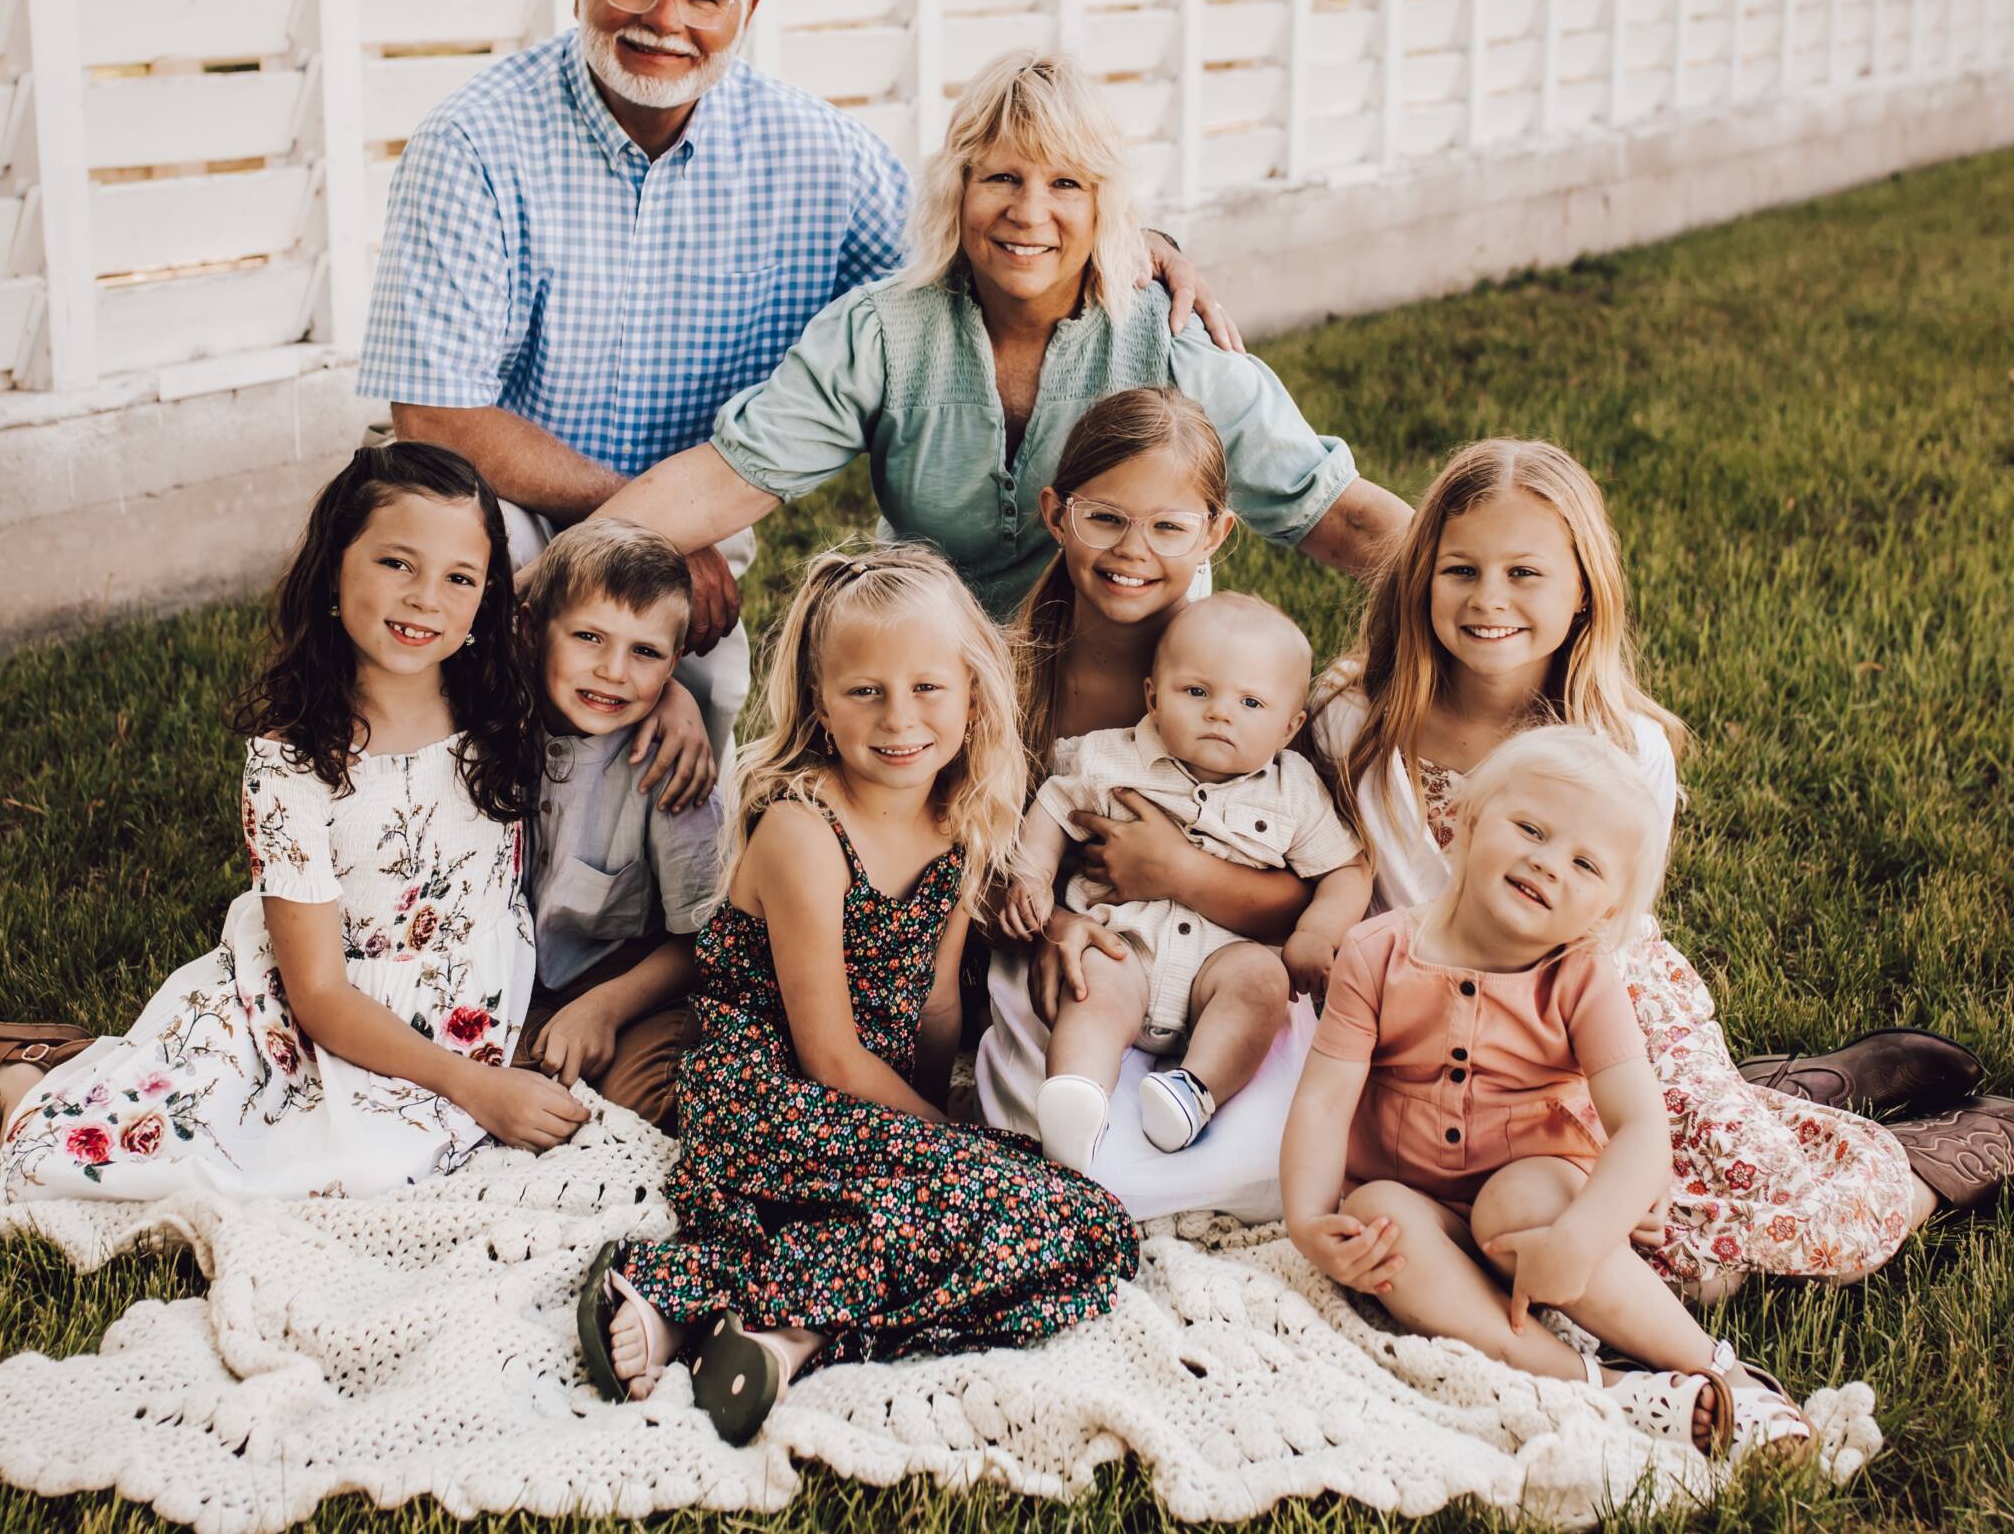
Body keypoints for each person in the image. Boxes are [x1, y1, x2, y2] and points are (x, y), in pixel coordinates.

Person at [359, 0, 1230, 770]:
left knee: (682, 737)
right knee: (469, 691)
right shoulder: (472, 143)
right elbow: (436, 418)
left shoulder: (823, 160)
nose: (665, 20)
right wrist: (638, 524)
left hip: (700, 505)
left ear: (746, 13)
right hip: (510, 503)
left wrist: (1130, 240)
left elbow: (985, 253)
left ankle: (639, 908)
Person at [1309, 437, 2014, 1296]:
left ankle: (1954, 1156)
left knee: (1741, 1237)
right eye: (1461, 569)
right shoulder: (1357, 721)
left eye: (1525, 574)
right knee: (1614, 1257)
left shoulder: (1621, 745)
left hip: (1596, 1011)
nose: (1489, 599)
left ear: (1581, 595)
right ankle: (1797, 1092)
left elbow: (1603, 939)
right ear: (1421, 577)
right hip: (1437, 1037)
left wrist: (1594, 1137)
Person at [0, 444, 579, 1200]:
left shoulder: (501, 701)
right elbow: (316, 994)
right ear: (334, 569)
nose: (426, 599)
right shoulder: (294, 765)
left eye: (459, 578)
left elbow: (611, 670)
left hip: (465, 1005)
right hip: (318, 1009)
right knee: (281, 1175)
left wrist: (672, 701)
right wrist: (474, 1088)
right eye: (396, 564)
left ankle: (92, 1059)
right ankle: (13, 1076)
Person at [575, 546, 1138, 1446]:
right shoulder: (806, 829)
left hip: (860, 1111)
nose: (900, 718)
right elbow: (828, 1052)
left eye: (927, 689)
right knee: (1020, 1206)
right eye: (865, 691)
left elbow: (936, 1010)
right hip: (766, 1098)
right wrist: (944, 1144)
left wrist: (928, 1146)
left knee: (1088, 1231)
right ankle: (694, 1293)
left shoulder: (963, 817)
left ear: (971, 695)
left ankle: (762, 1327)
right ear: (822, 702)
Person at [597, 48, 1410, 620]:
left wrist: (1493, 599)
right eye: (1001, 177)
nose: (1029, 212)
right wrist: (535, 585)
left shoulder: (1165, 340)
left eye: (1065, 184)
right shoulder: (883, 331)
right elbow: (721, 481)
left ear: (1104, 206)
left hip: (1129, 673)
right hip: (927, 669)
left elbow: (1336, 514)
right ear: (959, 189)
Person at [1281, 726, 1814, 1463]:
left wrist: (1582, 1239)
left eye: (1585, 863)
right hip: (1411, 1193)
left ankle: (1718, 1371)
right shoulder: (1377, 952)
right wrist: (1309, 1221)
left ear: (1605, 909)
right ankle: (1603, 1386)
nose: (1546, 862)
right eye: (1529, 827)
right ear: (1465, 823)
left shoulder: (1581, 977)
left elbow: (1640, 1126)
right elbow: (1322, 1100)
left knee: (1523, 1200)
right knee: (1378, 1223)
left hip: (1537, 1197)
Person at [974, 387, 1323, 1220]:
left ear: (1214, 534)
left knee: (1273, 1144)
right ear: (1057, 516)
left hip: (1226, 965)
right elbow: (974, 856)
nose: (1134, 551)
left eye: (1168, 526)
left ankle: (1191, 1110)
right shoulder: (1010, 673)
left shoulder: (1247, 678)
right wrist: (1052, 922)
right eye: (1106, 519)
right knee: (1057, 1120)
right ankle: (1082, 1126)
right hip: (1085, 963)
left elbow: (1300, 895)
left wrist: (1177, 868)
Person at [993, 594, 1371, 1168]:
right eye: (1196, 692)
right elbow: (1051, 805)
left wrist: (1317, 932)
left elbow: (1344, 869)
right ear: (1152, 695)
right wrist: (1034, 877)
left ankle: (1193, 1092)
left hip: (1222, 963)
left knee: (1261, 982)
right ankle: (1076, 1098)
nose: (1221, 713)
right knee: (1090, 985)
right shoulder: (1109, 758)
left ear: (1291, 725)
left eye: (1251, 702)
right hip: (1125, 946)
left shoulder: (1294, 790)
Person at [512, 518, 726, 1135]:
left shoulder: (669, 770)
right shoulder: (494, 720)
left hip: (639, 985)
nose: (613, 671)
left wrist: (604, 1007)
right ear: (531, 631)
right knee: (505, 1091)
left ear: (674, 663)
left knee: (643, 1114)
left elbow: (706, 941)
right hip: (516, 982)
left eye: (645, 652)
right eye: (588, 637)